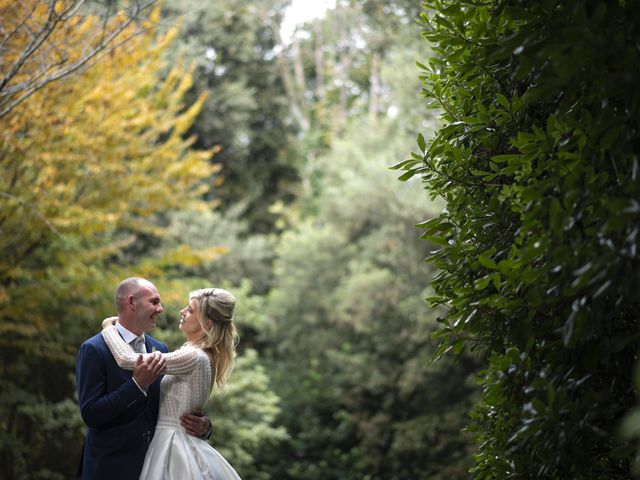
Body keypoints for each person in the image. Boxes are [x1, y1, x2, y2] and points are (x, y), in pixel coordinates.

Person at [76, 277, 212, 480]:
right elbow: (91, 414)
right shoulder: (94, 349)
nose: (161, 309)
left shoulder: (161, 349)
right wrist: (136, 385)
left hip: (157, 466)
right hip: (109, 468)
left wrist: (205, 426)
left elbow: (171, 404)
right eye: (154, 302)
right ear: (131, 303)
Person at [100, 286, 241, 480]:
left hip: (173, 445)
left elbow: (127, 360)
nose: (182, 312)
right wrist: (205, 426)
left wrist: (108, 328)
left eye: (190, 310)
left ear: (207, 324)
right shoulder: (201, 354)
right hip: (172, 441)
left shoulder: (193, 356)